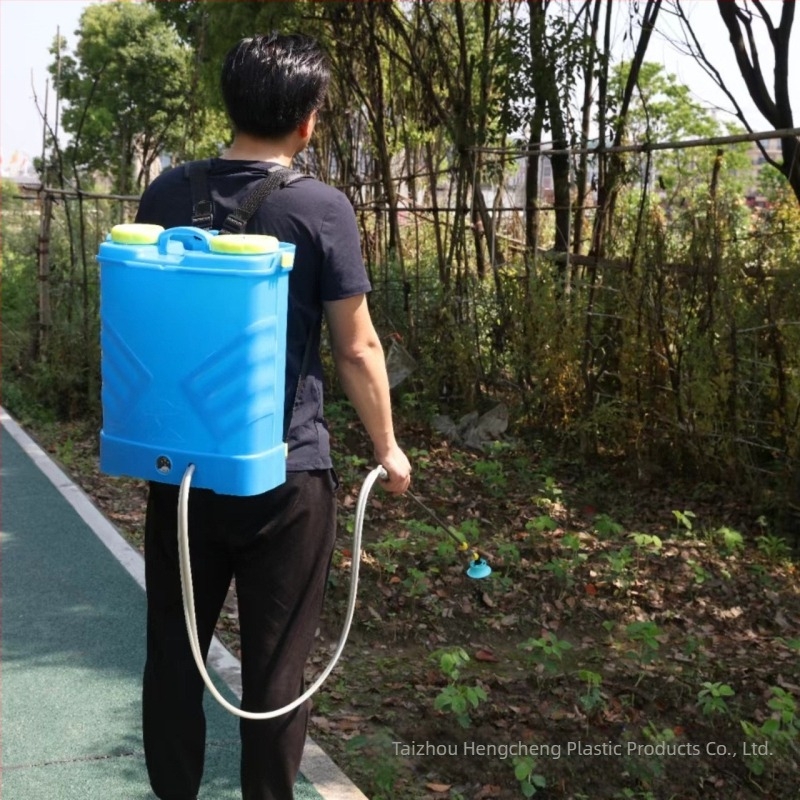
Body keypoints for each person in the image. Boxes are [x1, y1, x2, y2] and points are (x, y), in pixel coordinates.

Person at [134, 32, 411, 800]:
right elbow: (356, 350)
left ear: (231, 104)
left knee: (175, 655)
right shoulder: (319, 207)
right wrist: (388, 449)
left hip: (181, 471)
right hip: (287, 478)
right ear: (307, 121)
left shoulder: (164, 196)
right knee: (276, 673)